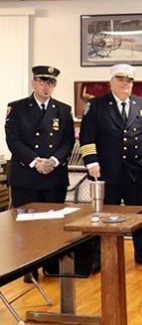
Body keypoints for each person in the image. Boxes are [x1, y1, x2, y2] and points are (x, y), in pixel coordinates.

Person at [79, 64, 142, 268]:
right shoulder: (96, 105)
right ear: (111, 82)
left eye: (129, 80)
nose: (125, 83)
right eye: (121, 79)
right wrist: (92, 163)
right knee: (103, 217)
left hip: (138, 172)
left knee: (140, 215)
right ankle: (98, 258)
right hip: (108, 172)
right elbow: (86, 136)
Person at [6, 65, 75, 282]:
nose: (47, 87)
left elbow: (68, 141)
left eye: (51, 83)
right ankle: (29, 268)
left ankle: (51, 265)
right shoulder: (16, 108)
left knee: (53, 224)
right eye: (43, 82)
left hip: (53, 175)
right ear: (34, 83)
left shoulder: (63, 110)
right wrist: (36, 161)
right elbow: (13, 141)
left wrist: (53, 161)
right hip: (26, 176)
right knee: (26, 225)